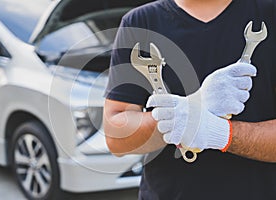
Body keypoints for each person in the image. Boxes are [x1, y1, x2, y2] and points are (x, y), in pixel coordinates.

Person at [103, 0, 276, 199]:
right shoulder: (140, 22)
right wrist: (191, 109)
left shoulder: (270, 12)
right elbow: (116, 137)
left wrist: (219, 133)